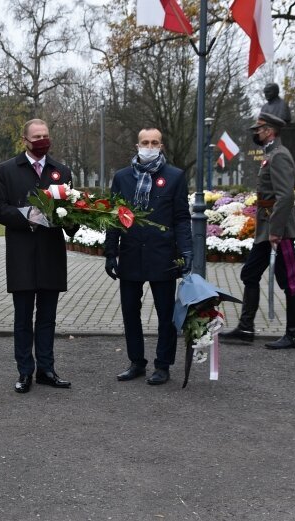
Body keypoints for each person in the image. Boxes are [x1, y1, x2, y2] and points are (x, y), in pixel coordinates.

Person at [0, 118, 78, 394]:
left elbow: (72, 211)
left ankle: (46, 370)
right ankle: (24, 372)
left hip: (51, 255)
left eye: (46, 136)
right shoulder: (6, 170)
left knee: (48, 318)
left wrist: (74, 217)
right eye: (37, 137)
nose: (42, 141)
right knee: (23, 317)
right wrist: (27, 216)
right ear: (25, 140)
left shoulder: (60, 171)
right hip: (21, 255)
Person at [103, 128, 193, 386]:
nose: (149, 146)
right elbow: (114, 217)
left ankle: (163, 365)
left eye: (154, 143)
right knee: (130, 311)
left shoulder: (175, 177)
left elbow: (181, 218)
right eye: (145, 142)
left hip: (162, 256)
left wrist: (186, 251)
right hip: (130, 255)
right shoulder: (122, 177)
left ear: (161, 145)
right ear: (137, 145)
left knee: (166, 314)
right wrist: (111, 253)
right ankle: (136, 362)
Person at [221, 112, 295, 349]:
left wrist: (276, 231)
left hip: (280, 231)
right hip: (267, 229)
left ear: (269, 130)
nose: (255, 133)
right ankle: (246, 329)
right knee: (249, 274)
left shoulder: (279, 155)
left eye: (258, 129)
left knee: (290, 282)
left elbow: (285, 195)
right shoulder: (271, 154)